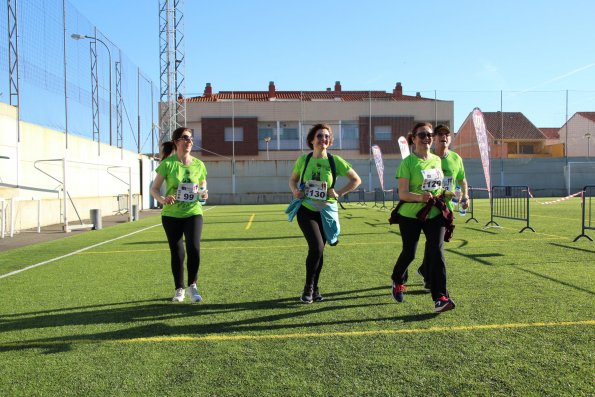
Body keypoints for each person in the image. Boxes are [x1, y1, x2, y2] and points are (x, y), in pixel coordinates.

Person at [288, 123, 361, 303]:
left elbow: (356, 180)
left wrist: (338, 192)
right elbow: (293, 180)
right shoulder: (303, 160)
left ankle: (315, 287)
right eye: (320, 136)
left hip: (327, 212)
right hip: (306, 210)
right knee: (317, 247)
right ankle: (308, 288)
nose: (323, 139)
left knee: (319, 252)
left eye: (327, 136)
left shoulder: (334, 161)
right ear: (312, 140)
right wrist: (295, 191)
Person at [390, 122, 455, 313]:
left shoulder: (436, 160)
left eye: (429, 135)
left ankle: (440, 297)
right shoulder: (408, 163)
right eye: (422, 135)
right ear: (414, 139)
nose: (427, 138)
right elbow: (402, 193)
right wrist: (419, 197)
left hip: (434, 212)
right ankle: (397, 280)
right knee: (409, 253)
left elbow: (437, 187)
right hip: (410, 214)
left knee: (436, 253)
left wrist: (447, 193)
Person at [150, 127, 208, 303]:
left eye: (191, 138)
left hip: (193, 212)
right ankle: (179, 289)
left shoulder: (199, 164)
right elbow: (153, 189)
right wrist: (162, 198)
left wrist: (204, 194)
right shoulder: (168, 164)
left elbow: (203, 187)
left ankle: (193, 286)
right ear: (176, 142)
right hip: (171, 215)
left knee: (194, 249)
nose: (189, 141)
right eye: (185, 138)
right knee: (178, 252)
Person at [416, 124, 468, 289]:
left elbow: (462, 179)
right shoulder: (427, 158)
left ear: (450, 139)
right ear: (434, 138)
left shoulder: (456, 158)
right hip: (430, 207)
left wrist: (465, 195)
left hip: (447, 208)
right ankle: (432, 281)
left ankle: (425, 269)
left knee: (434, 243)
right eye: (440, 134)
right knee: (435, 245)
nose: (444, 137)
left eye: (447, 134)